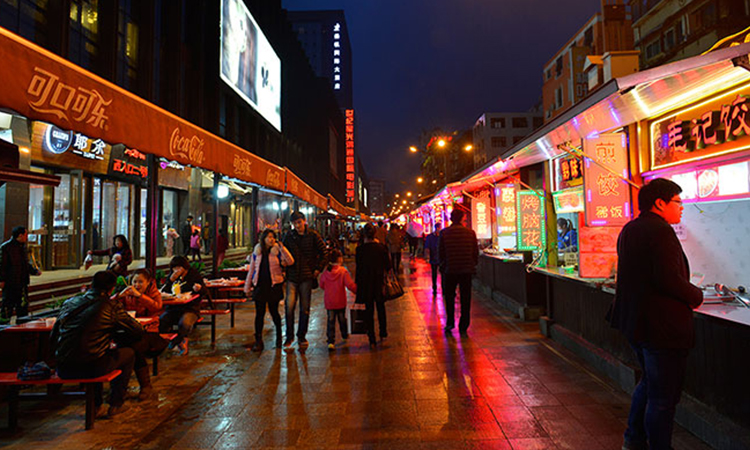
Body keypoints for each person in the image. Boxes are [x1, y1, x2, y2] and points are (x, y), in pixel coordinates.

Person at [607, 178, 703, 450]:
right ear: (660, 203)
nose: (682, 208)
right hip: (662, 328)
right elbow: (667, 278)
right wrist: (697, 295)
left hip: (637, 325)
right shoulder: (660, 231)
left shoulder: (631, 228)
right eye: (678, 202)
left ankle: (634, 439)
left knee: (649, 384)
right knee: (663, 397)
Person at [52, 271, 142, 418]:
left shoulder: (70, 302)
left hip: (63, 367)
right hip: (92, 367)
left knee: (96, 352)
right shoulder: (111, 306)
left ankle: (97, 405)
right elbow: (137, 330)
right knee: (128, 354)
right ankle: (116, 404)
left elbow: (54, 334)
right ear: (111, 289)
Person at [115, 268, 168, 400]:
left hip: (150, 332)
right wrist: (119, 296)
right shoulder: (128, 293)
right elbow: (110, 305)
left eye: (140, 282)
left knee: (135, 349)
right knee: (122, 347)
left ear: (148, 282)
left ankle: (144, 386)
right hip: (131, 331)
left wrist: (140, 296)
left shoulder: (154, 293)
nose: (137, 285)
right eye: (135, 282)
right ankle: (120, 389)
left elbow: (157, 307)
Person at [282, 211, 327, 349]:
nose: (297, 226)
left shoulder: (313, 235)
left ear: (304, 221)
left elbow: (324, 252)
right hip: (292, 276)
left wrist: (318, 268)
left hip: (307, 277)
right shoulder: (289, 237)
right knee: (289, 307)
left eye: (299, 222)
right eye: (294, 223)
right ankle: (289, 337)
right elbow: (282, 253)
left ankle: (301, 336)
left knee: (305, 308)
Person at [244, 229, 293, 351]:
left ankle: (279, 337)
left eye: (273, 237)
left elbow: (290, 261)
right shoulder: (257, 252)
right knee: (259, 314)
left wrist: (282, 248)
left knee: (274, 312)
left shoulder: (277, 251)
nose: (271, 239)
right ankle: (258, 341)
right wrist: (247, 286)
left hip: (273, 286)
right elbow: (252, 270)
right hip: (260, 286)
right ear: (263, 238)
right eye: (268, 237)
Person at [439, 208, 478, 336]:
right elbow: (475, 253)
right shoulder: (470, 233)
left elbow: (441, 253)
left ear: (451, 219)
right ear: (462, 218)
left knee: (449, 297)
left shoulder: (444, 233)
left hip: (450, 270)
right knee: (465, 298)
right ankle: (464, 324)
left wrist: (443, 266)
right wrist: (472, 264)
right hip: (466, 270)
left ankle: (450, 322)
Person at [158, 256, 207, 355]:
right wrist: (170, 281)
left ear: (185, 267)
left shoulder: (193, 275)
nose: (176, 270)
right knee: (162, 321)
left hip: (190, 308)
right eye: (174, 268)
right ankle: (163, 344)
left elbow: (204, 291)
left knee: (185, 323)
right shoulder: (172, 277)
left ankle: (178, 341)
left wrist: (199, 289)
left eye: (179, 267)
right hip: (173, 308)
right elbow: (164, 292)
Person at [356, 223, 392, 347]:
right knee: (381, 308)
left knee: (369, 310)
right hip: (379, 283)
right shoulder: (381, 248)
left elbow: (358, 269)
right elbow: (388, 266)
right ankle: (383, 331)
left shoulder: (360, 250)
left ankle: (371, 337)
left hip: (366, 284)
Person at [0, 226, 41, 321]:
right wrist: (1, 279)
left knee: (22, 306)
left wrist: (34, 271)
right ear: (20, 235)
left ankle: (22, 325)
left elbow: (25, 264)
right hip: (11, 282)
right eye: (26, 235)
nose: (27, 237)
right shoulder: (6, 247)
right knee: (7, 306)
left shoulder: (22, 247)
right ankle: (4, 326)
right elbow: (2, 265)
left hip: (22, 282)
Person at [319, 249, 356, 350]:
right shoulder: (343, 271)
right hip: (340, 301)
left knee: (330, 321)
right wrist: (358, 291)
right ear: (339, 259)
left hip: (329, 302)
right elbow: (350, 285)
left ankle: (331, 341)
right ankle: (344, 335)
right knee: (342, 319)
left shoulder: (326, 272)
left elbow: (321, 284)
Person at [424, 223, 442, 296]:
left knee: (439, 273)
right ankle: (434, 287)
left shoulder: (431, 237)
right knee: (435, 273)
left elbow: (427, 247)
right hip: (435, 257)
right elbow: (427, 248)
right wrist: (427, 257)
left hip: (439, 258)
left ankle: (439, 287)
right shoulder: (432, 237)